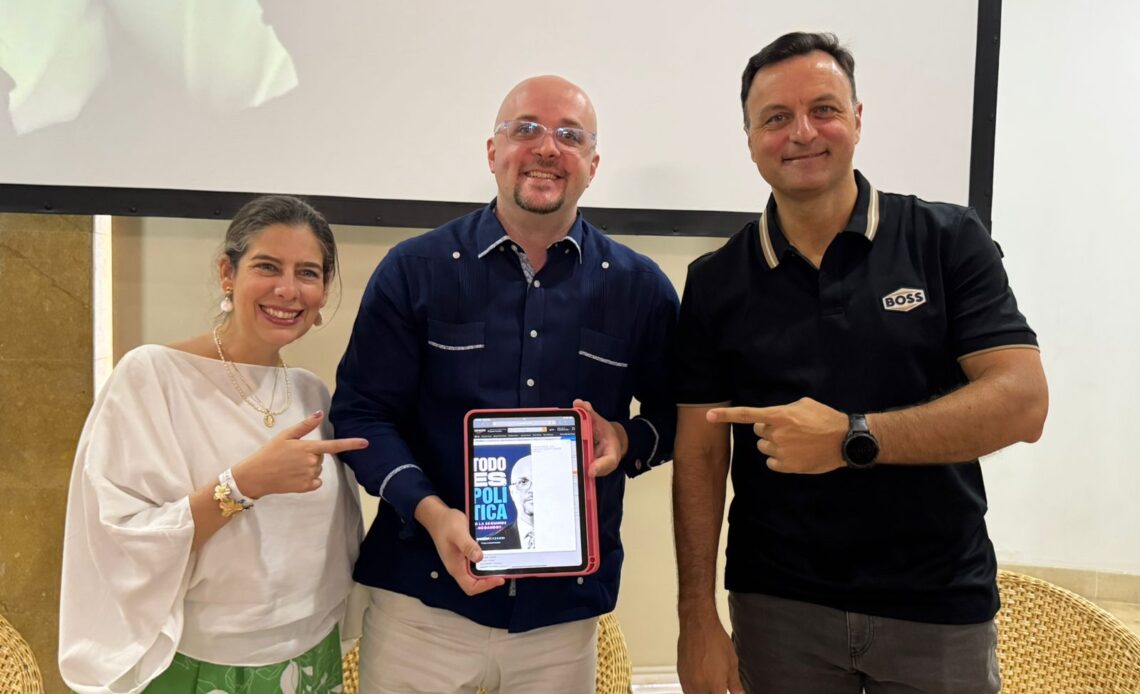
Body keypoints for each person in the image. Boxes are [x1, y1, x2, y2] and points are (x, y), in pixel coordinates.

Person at [672, 32, 1049, 694]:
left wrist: (853, 438)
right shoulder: (714, 281)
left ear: (857, 118)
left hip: (937, 606)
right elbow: (700, 455)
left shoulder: (947, 241)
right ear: (750, 138)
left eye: (823, 109)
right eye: (776, 118)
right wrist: (695, 617)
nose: (802, 133)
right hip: (778, 611)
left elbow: (1023, 402)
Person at [330, 74, 679, 693]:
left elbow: (677, 418)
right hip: (422, 609)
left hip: (561, 622)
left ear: (593, 166)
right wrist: (432, 513)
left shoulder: (640, 288)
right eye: (527, 129)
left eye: (570, 136)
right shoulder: (414, 270)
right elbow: (362, 415)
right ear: (493, 152)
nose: (547, 148)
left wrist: (626, 440)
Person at [59, 195, 368, 694]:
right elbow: (119, 537)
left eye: (307, 273)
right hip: (199, 662)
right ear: (228, 273)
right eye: (267, 266)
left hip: (312, 654)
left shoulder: (311, 393)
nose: (288, 290)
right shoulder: (153, 376)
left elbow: (334, 542)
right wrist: (243, 485)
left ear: (323, 290)